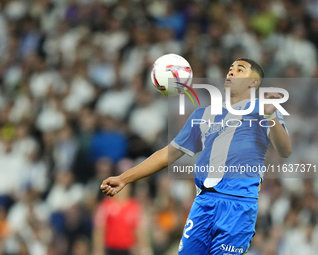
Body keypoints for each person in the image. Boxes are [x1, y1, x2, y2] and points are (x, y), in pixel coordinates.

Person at [101, 58, 292, 254]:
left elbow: (285, 150)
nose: (231, 72)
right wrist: (124, 178)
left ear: (254, 82)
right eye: (230, 68)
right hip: (203, 204)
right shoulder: (203, 115)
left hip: (238, 206)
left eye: (240, 70)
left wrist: (270, 117)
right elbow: (168, 154)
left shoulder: (264, 108)